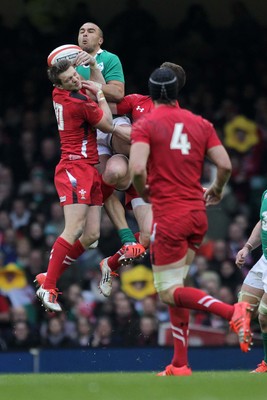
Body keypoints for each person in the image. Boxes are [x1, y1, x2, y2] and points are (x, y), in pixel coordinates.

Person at [129, 66, 253, 376]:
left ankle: (233, 311)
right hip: (197, 215)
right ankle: (180, 363)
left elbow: (137, 170)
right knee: (178, 284)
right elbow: (224, 165)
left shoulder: (146, 124)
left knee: (168, 291)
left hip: (170, 216)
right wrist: (217, 189)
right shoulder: (200, 124)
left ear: (151, 92)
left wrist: (147, 194)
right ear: (176, 93)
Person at [35, 59, 113, 312]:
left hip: (89, 169)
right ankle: (49, 287)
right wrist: (100, 94)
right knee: (74, 228)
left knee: (92, 236)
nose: (75, 80)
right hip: (74, 168)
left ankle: (48, 275)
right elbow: (108, 124)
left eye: (74, 75)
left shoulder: (58, 92)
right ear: (60, 84)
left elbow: (73, 78)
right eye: (69, 79)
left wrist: (89, 65)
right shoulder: (78, 103)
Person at [235, 189, 267, 373]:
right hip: (264, 260)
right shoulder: (265, 194)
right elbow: (262, 221)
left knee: (264, 317)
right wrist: (247, 247)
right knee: (243, 310)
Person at [75, 22, 125, 102]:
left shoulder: (110, 58)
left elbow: (118, 93)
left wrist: (90, 85)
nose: (85, 34)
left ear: (100, 40)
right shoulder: (71, 61)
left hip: (105, 112)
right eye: (82, 32)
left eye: (90, 31)